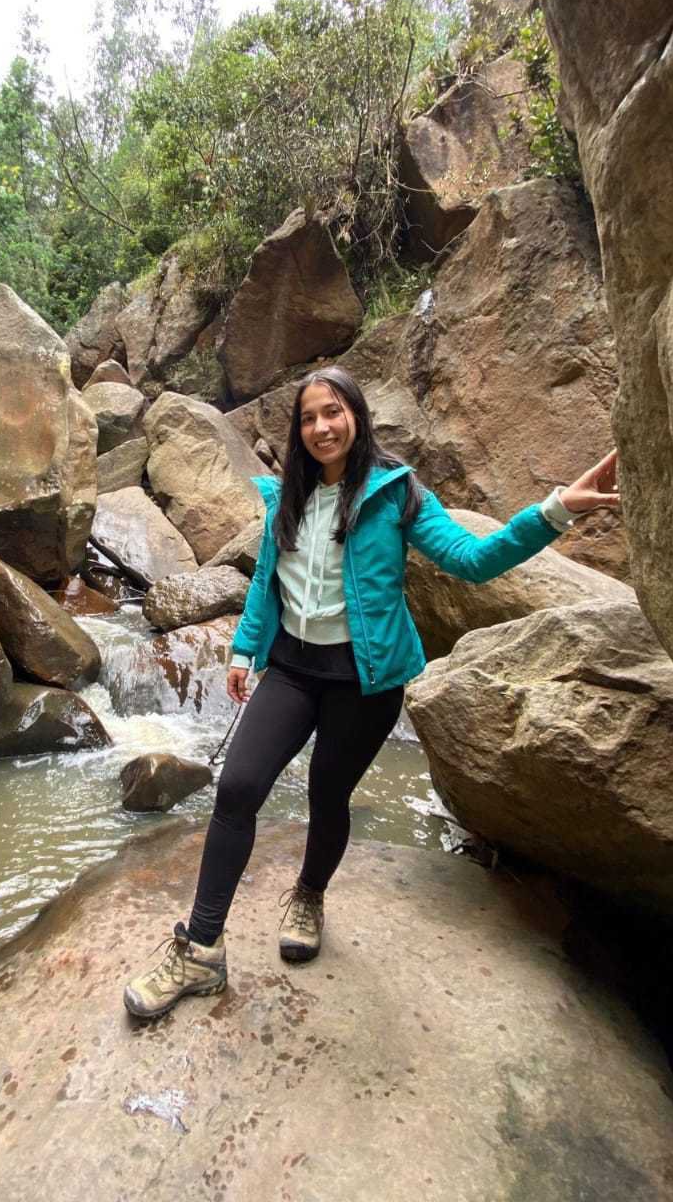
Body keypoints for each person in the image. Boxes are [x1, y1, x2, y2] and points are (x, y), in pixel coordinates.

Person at [123, 365, 620, 1020]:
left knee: (328, 794)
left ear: (356, 416)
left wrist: (556, 510)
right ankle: (202, 949)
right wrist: (244, 649)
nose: (322, 427)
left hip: (365, 680)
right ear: (298, 431)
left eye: (333, 412)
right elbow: (268, 580)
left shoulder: (397, 493)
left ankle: (309, 895)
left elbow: (474, 561)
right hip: (292, 669)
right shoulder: (288, 496)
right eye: (309, 417)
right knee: (237, 788)